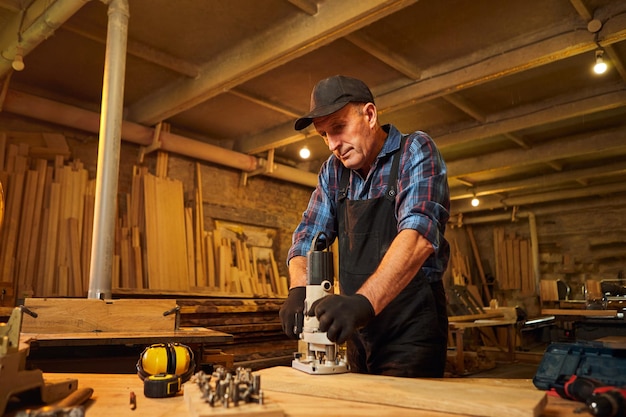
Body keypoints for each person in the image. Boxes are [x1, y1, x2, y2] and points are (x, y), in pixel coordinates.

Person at [279, 75, 450, 378]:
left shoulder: (415, 151)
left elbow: (419, 236)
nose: (333, 145)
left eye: (338, 128)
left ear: (370, 115)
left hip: (410, 328)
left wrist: (363, 302)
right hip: (357, 327)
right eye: (324, 135)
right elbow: (307, 236)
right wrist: (298, 289)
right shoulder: (333, 171)